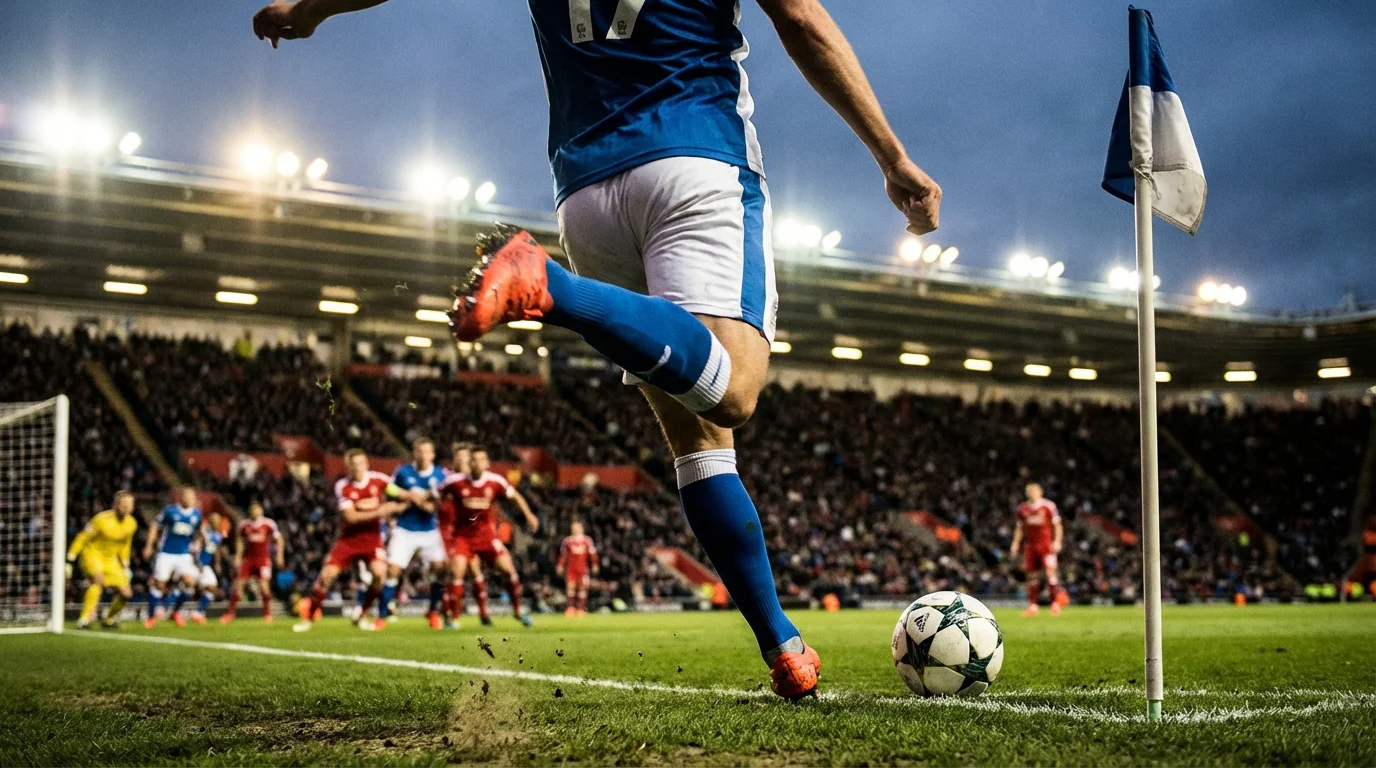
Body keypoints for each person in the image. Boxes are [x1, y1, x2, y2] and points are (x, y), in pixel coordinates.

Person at [252, 0, 939, 699]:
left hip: (585, 190)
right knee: (732, 389)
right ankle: (548, 286)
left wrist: (309, 9)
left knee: (699, 445)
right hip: (694, 156)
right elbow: (800, 17)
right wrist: (892, 155)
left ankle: (784, 649)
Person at [295, 449, 404, 632]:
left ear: (366, 464)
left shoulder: (380, 480)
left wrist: (413, 498)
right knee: (327, 577)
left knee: (379, 574)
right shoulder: (342, 486)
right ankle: (310, 618)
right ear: (348, 467)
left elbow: (399, 492)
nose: (358, 468)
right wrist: (381, 511)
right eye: (354, 465)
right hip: (349, 540)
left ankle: (362, 614)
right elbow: (350, 517)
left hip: (372, 539)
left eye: (361, 463)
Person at [437, 447, 540, 627]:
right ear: (469, 463)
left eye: (481, 459)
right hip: (463, 536)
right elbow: (437, 496)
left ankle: (518, 611)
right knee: (457, 572)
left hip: (487, 536)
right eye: (474, 460)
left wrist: (529, 515)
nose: (477, 463)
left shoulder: (495, 481)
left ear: (487, 463)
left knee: (508, 570)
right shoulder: (454, 482)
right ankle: (453, 618)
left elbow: (514, 496)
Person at [384, 437, 450, 630]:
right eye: (419, 451)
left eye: (427, 451)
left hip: (430, 529)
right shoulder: (402, 471)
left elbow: (443, 501)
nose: (423, 455)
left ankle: (432, 611)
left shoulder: (441, 474)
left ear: (433, 454)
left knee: (440, 569)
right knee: (393, 569)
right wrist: (404, 501)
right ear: (414, 453)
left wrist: (425, 503)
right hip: (405, 528)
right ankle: (383, 613)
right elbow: (389, 490)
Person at [65, 490, 139, 629]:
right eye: (124, 504)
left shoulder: (131, 523)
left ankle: (109, 619)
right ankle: (84, 619)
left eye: (130, 504)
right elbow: (83, 537)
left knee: (126, 593)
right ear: (116, 504)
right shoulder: (101, 519)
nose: (127, 507)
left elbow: (125, 545)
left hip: (111, 559)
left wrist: (126, 565)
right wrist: (70, 558)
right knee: (98, 581)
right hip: (92, 554)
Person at [142, 486, 204, 628]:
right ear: (181, 497)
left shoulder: (196, 514)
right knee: (159, 584)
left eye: (191, 496)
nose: (189, 499)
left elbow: (199, 532)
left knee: (189, 583)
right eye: (186, 496)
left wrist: (197, 544)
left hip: (184, 555)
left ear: (194, 499)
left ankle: (175, 612)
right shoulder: (170, 511)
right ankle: (151, 616)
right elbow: (155, 526)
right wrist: (149, 546)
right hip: (166, 553)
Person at [222, 500, 285, 624]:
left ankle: (267, 613)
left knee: (264, 587)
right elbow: (240, 541)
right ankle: (230, 613)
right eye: (253, 510)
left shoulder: (268, 524)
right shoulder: (244, 525)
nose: (255, 512)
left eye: (257, 509)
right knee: (239, 585)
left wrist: (279, 556)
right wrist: (238, 556)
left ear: (261, 511)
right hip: (248, 559)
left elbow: (279, 540)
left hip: (263, 560)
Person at [1010, 482, 1067, 617]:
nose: (1031, 493)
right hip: (1030, 545)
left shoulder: (1048, 506)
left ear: (1040, 492)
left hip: (1046, 545)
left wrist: (1057, 541)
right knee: (1032, 576)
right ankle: (1033, 606)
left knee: (1050, 573)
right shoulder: (1022, 509)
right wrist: (1015, 543)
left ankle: (1055, 604)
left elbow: (1057, 525)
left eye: (1034, 490)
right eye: (1029, 491)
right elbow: (1019, 528)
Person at [189, 511, 228, 624]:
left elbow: (216, 550)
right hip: (196, 564)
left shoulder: (218, 535)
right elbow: (196, 546)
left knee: (212, 588)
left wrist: (217, 563)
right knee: (186, 588)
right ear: (210, 521)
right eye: (213, 520)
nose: (216, 523)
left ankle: (198, 613)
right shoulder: (204, 532)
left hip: (205, 565)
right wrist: (197, 562)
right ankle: (166, 610)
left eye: (218, 521)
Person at [557, 520, 600, 617]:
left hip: (583, 569)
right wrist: (560, 565)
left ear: (581, 528)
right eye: (573, 528)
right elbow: (563, 555)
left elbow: (592, 554)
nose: (575, 529)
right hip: (571, 569)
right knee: (570, 588)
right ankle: (570, 608)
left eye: (577, 527)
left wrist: (595, 564)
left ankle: (581, 608)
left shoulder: (587, 540)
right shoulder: (567, 541)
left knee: (582, 588)